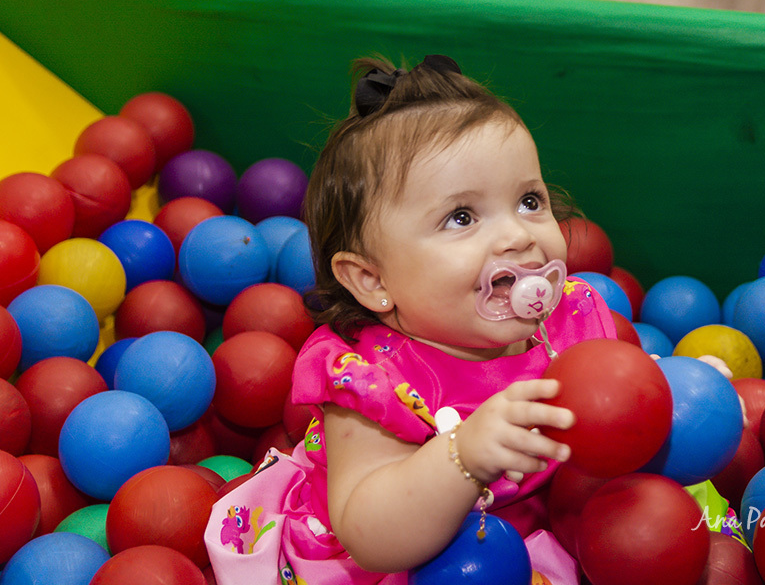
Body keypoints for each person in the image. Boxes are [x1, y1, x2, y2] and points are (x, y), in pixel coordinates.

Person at [205, 54, 618, 585]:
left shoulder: (569, 321)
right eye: (462, 217)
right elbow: (371, 536)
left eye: (529, 200)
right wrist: (461, 458)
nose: (519, 236)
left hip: (547, 538)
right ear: (374, 281)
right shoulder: (374, 382)